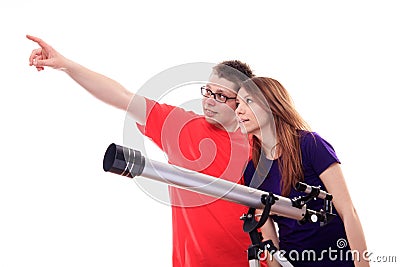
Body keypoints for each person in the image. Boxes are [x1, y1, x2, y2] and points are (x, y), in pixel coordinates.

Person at [27, 35, 256, 267]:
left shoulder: (258, 145)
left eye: (220, 96)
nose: (209, 102)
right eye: (207, 92)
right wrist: (67, 65)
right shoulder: (180, 127)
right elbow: (123, 97)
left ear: (240, 102)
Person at [235, 77, 369, 267]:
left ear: (271, 104)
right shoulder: (252, 171)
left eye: (248, 101)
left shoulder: (311, 145)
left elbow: (348, 212)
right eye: (238, 103)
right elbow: (269, 235)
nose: (238, 110)